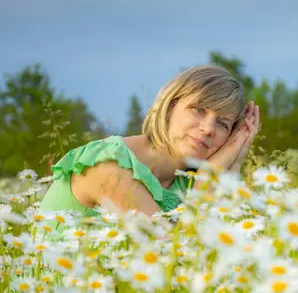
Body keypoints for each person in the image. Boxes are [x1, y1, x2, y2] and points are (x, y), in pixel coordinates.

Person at [38, 64, 259, 219]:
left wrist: (234, 160)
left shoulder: (190, 183)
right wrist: (210, 179)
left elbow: (220, 250)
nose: (208, 128)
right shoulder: (107, 166)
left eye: (222, 124)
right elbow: (177, 255)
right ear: (170, 106)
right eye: (199, 110)